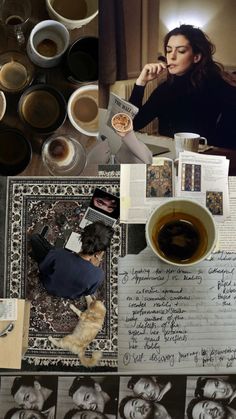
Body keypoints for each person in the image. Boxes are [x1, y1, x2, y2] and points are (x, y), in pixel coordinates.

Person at [129, 24, 236, 148]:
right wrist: (140, 83)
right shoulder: (165, 89)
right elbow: (132, 125)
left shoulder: (216, 85)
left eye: (181, 51)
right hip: (169, 156)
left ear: (196, 57)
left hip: (205, 157)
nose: (172, 56)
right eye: (169, 50)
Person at [30, 221, 114, 299]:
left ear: (82, 238)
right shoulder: (98, 275)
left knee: (35, 238)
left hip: (48, 285)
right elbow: (88, 292)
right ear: (99, 252)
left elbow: (43, 268)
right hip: (70, 295)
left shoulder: (59, 254)